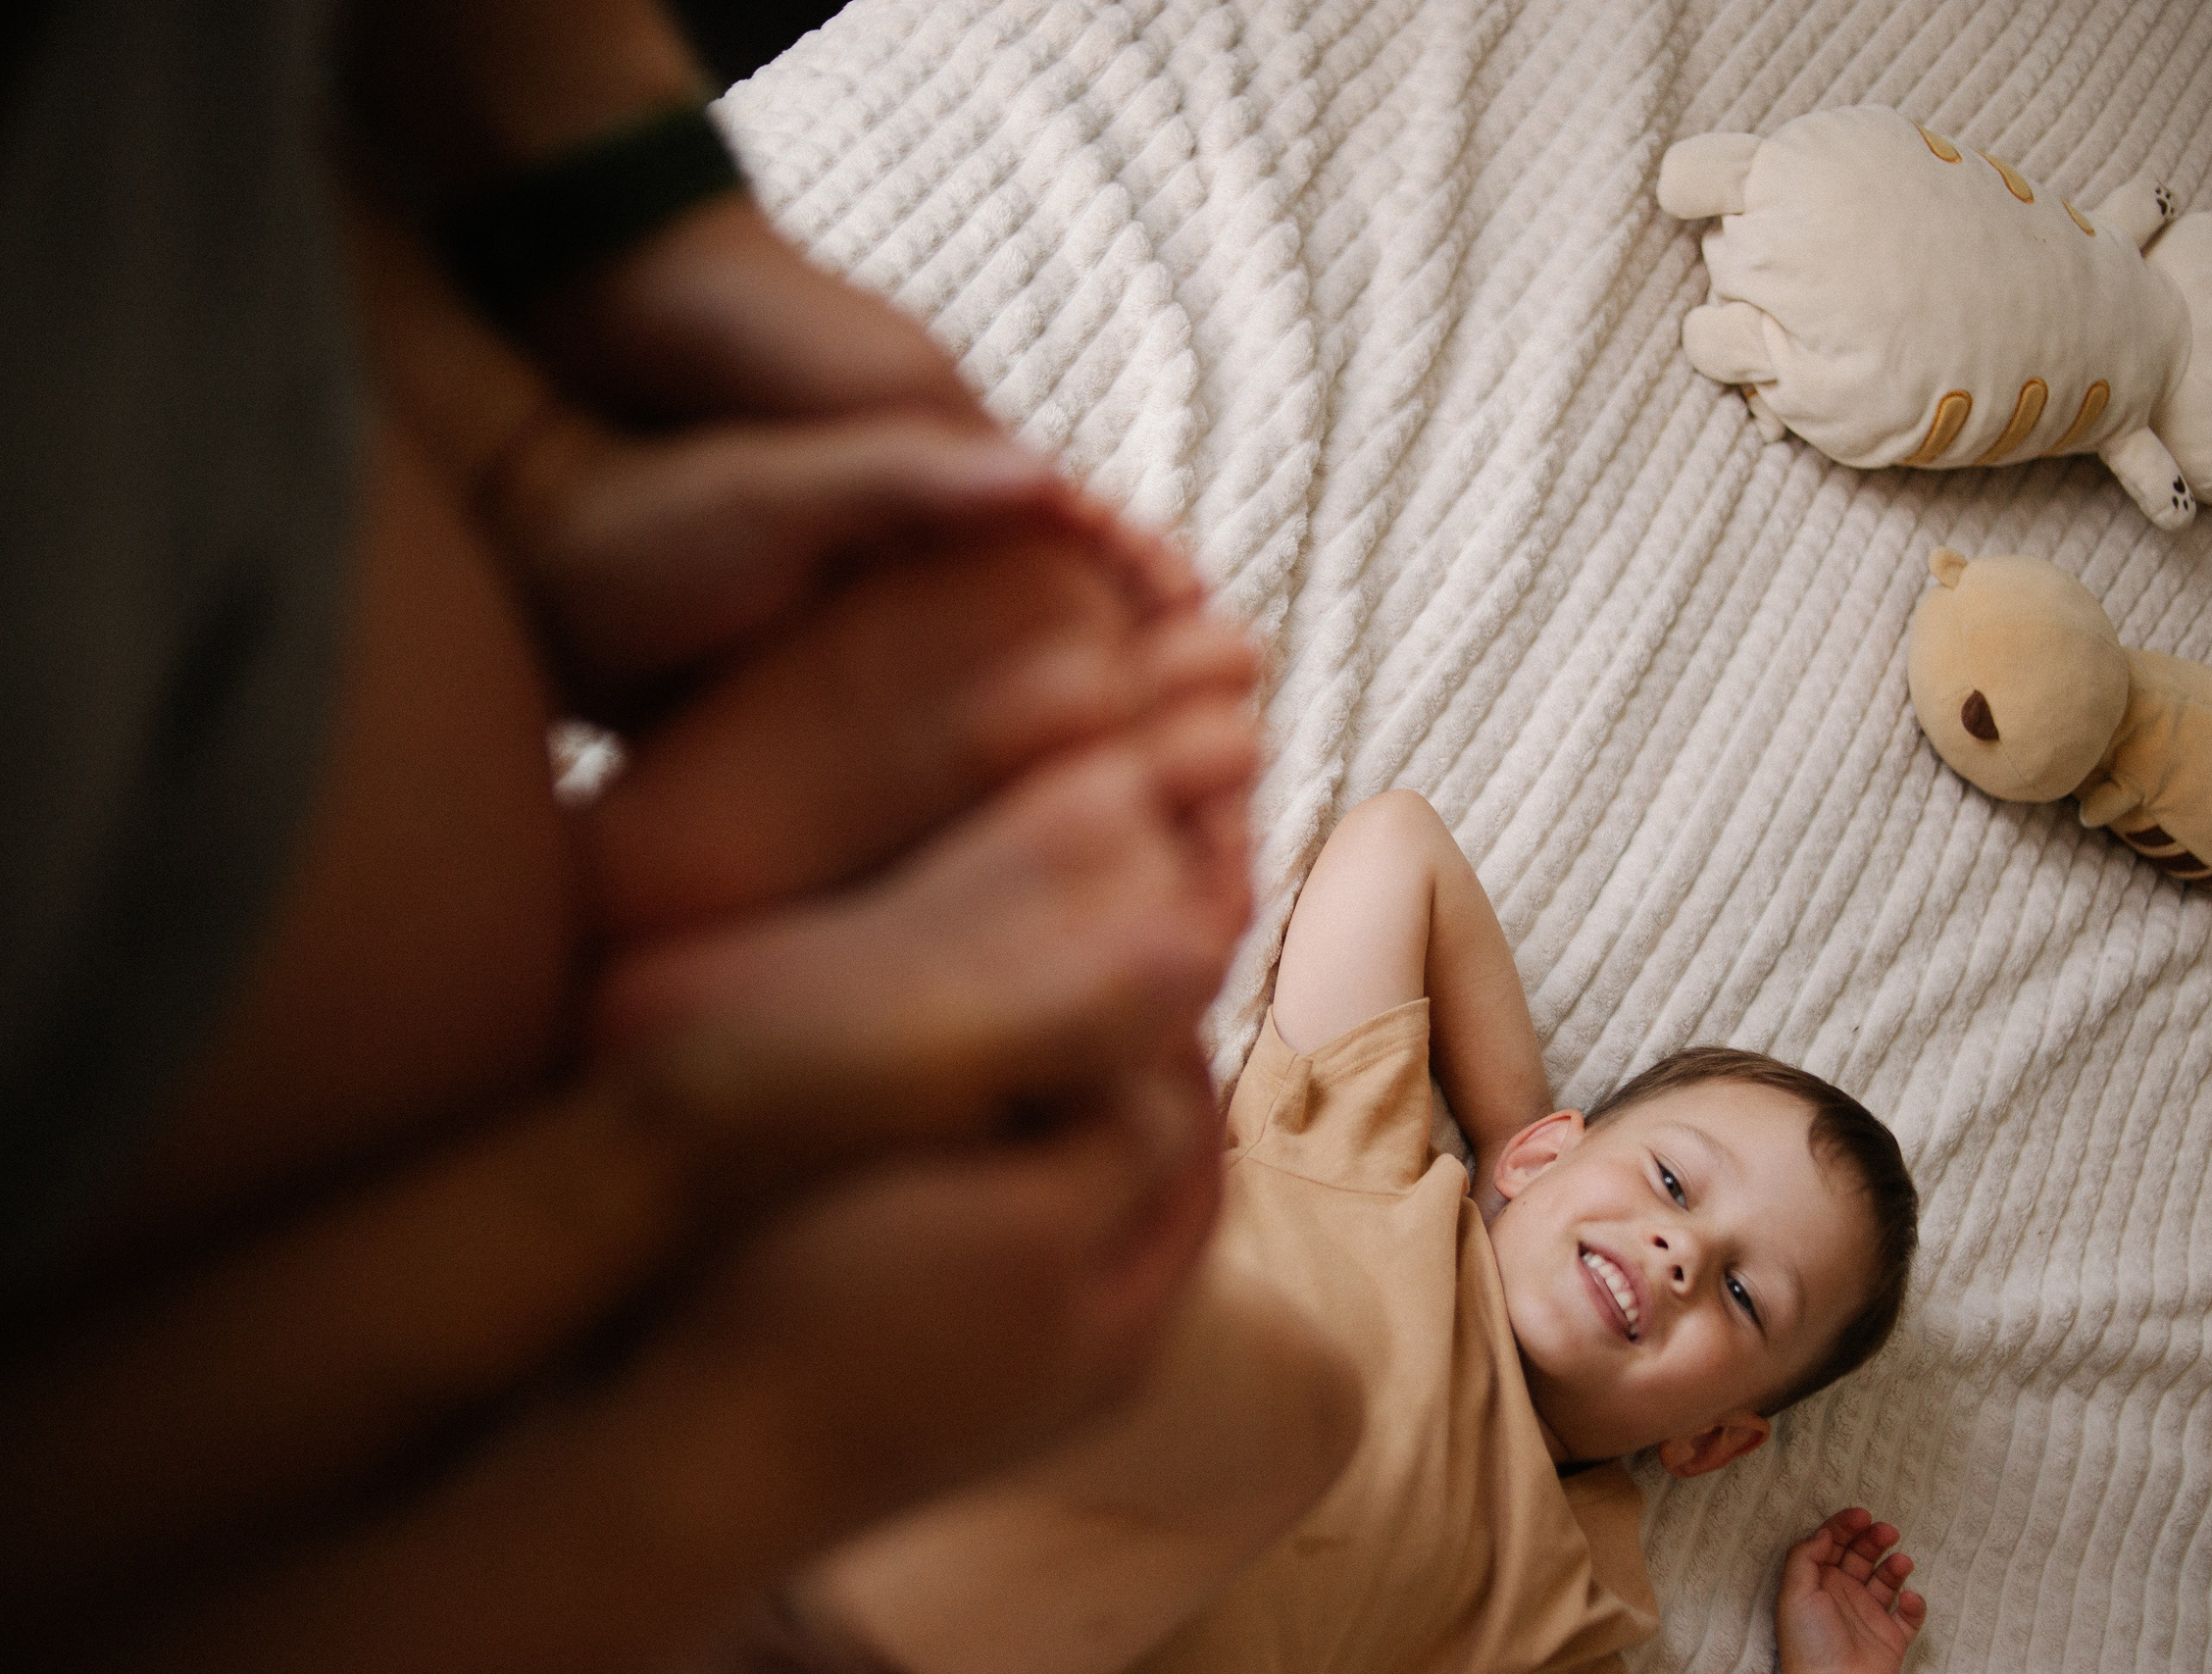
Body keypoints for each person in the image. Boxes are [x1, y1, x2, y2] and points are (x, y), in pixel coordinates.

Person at [0, 0, 1258, 1666]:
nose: (1676, 1259)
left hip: (257, 421)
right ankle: (650, 1165)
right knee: (1268, 1405)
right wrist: (732, 1440)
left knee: (1287, 1407)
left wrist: (562, 372)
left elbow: (146, 140)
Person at [762, 789, 1928, 1674]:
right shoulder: (1370, 1167)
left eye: (1742, 1297)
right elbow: (1398, 845)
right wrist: (1518, 1147)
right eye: (1671, 1181)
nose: (1682, 1252)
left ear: (1711, 1446)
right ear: (1544, 1154)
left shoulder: (1576, 1590)